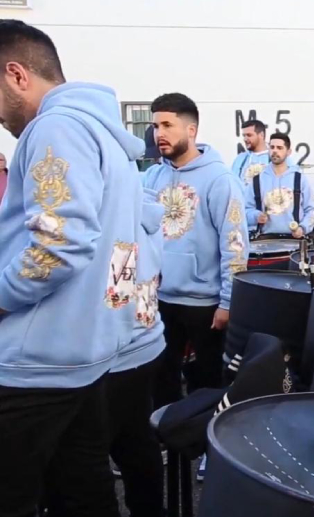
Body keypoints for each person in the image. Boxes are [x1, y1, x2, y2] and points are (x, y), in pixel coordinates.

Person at [0, 19, 146, 517]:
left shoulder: (56, 128)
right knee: (81, 491)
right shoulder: (106, 137)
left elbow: (58, 244)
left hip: (35, 362)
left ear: (16, 75)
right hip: (85, 353)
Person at [144, 93, 250, 409]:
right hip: (160, 299)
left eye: (167, 125)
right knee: (162, 379)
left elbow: (234, 244)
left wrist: (229, 302)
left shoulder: (220, 179)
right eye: (155, 126)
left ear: (191, 130)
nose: (158, 133)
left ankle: (205, 450)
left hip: (205, 304)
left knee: (206, 384)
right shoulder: (152, 176)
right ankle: (167, 443)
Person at [102, 188, 166, 517]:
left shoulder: (118, 215)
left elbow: (117, 296)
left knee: (93, 455)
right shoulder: (140, 203)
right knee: (137, 441)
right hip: (144, 343)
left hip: (119, 353)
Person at [245, 132, 314, 239]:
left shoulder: (299, 179)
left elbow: (312, 211)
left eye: (279, 148)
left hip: (295, 242)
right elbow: (246, 210)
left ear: (288, 152)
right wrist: (256, 216)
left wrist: (303, 228)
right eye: (272, 147)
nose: (275, 151)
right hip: (264, 241)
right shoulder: (257, 180)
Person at [229, 118, 269, 185]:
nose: (245, 139)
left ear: (261, 135)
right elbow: (233, 185)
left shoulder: (277, 157)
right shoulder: (240, 159)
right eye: (244, 135)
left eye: (249, 135)